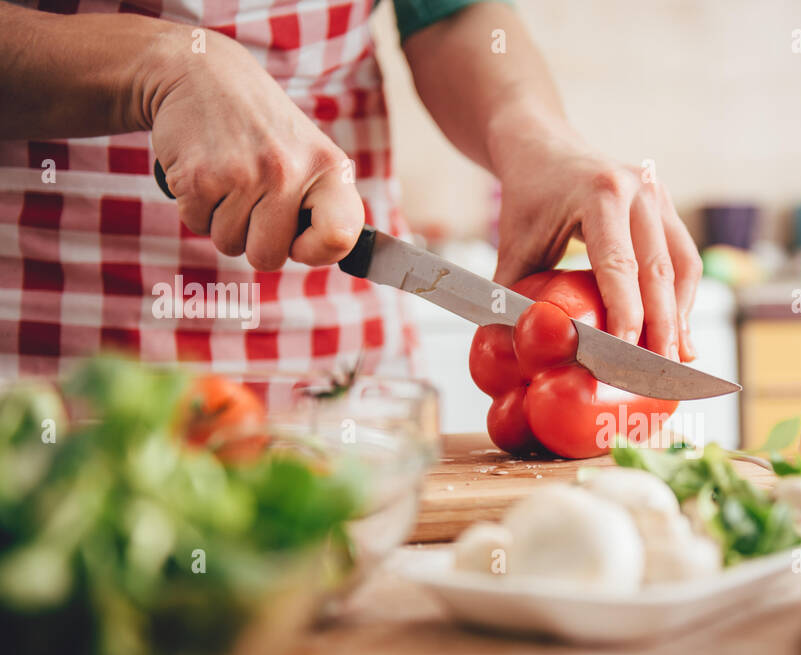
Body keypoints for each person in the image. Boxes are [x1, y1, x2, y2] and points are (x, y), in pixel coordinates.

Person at [0, 0, 700, 378]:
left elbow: (451, 12)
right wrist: (158, 65)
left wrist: (532, 134)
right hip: (42, 372)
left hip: (341, 375)